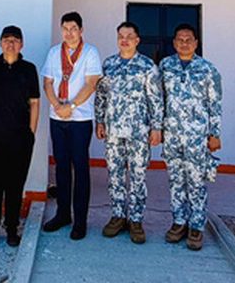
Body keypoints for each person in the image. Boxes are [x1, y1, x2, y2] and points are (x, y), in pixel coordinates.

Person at [95, 21, 163, 244]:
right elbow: (102, 96)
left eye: (129, 36)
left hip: (138, 131)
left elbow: (155, 99)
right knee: (114, 174)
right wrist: (100, 121)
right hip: (114, 130)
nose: (124, 39)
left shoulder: (147, 66)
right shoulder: (109, 65)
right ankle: (117, 216)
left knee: (137, 176)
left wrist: (156, 128)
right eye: (120, 36)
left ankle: (135, 220)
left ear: (137, 40)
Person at [159, 23, 222, 251]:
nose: (184, 43)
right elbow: (159, 101)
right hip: (172, 135)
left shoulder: (207, 69)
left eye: (188, 39)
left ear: (196, 43)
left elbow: (215, 104)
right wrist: (158, 128)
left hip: (197, 136)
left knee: (196, 181)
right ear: (174, 43)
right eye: (180, 39)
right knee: (176, 180)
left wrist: (215, 133)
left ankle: (196, 226)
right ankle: (179, 222)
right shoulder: (165, 66)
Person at [41, 11, 102, 240]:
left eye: (73, 28)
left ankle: (80, 220)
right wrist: (57, 105)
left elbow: (91, 83)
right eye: (65, 29)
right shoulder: (54, 52)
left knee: (81, 168)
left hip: (80, 119)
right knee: (62, 168)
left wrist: (72, 106)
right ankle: (62, 214)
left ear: (81, 30)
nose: (69, 33)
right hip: (58, 118)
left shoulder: (90, 52)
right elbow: (47, 82)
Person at [0, 25, 40, 247]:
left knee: (15, 185)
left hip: (19, 138)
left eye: (15, 39)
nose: (10, 43)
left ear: (21, 44)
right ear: (0, 43)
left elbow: (34, 103)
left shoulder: (29, 69)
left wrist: (31, 133)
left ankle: (12, 228)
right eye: (6, 39)